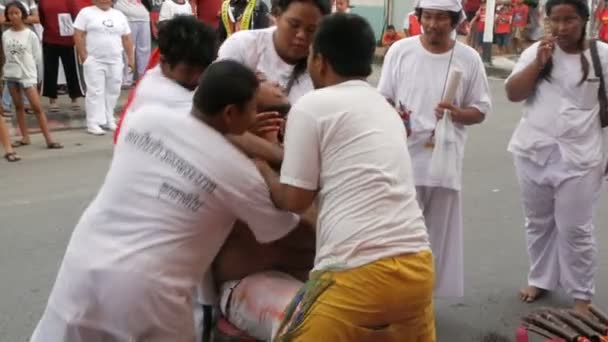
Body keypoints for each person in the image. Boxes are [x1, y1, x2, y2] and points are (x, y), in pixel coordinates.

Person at [29, 44, 311, 341]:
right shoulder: (240, 174)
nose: (255, 114)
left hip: (84, 263)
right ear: (231, 113)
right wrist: (271, 166)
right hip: (151, 291)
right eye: (252, 107)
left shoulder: (146, 119)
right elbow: (285, 230)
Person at [255, 13, 435, 341]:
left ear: (320, 60)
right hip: (418, 267)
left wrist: (263, 168)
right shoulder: (385, 109)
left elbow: (295, 199)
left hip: (357, 272)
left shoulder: (312, 106)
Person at [378, 0, 491, 299]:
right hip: (403, 157)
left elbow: (480, 110)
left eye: (441, 18)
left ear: (455, 21)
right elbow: (384, 99)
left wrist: (456, 112)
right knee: (398, 232)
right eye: (427, 16)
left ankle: (424, 299)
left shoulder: (468, 59)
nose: (433, 24)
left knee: (437, 238)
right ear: (419, 18)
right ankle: (396, 295)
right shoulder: (400, 51)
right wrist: (396, 120)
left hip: (444, 160)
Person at [505, 0, 605, 315]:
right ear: (547, 21)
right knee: (538, 222)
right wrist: (538, 63)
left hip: (580, 157)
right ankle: (541, 278)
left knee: (576, 228)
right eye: (556, 20)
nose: (562, 28)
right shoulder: (536, 52)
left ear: (584, 20)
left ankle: (581, 294)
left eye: (570, 20)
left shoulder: (601, 55)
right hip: (533, 151)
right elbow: (513, 93)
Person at [217, 0, 330, 103]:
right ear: (276, 15)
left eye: (311, 30)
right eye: (294, 25)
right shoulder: (242, 46)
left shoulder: (323, 66)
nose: (301, 35)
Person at [3, 1, 62, 150]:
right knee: (18, 107)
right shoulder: (5, 34)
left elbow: (37, 57)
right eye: (10, 14)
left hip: (27, 75)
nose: (14, 16)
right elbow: (6, 54)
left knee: (37, 107)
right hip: (11, 75)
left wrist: (33, 76)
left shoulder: (30, 35)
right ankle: (25, 137)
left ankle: (49, 139)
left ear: (23, 14)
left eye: (16, 13)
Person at [73, 0, 134, 135]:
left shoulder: (119, 15)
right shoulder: (86, 13)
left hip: (115, 60)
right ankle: (93, 123)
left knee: (113, 90)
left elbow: (127, 38)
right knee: (95, 91)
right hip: (94, 60)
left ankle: (108, 119)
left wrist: (131, 59)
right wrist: (84, 55)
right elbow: (78, 34)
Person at [38, 0, 85, 113]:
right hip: (49, 39)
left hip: (68, 40)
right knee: (50, 71)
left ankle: (74, 99)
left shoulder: (71, 1)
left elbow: (77, 18)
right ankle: (52, 100)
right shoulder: (43, 1)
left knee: (72, 70)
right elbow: (42, 19)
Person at [114, 0, 151, 88]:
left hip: (144, 17)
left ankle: (143, 78)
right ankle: (126, 80)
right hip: (127, 19)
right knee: (128, 49)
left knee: (144, 50)